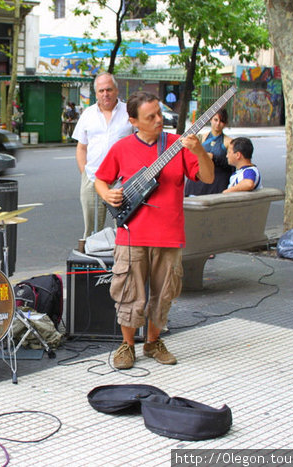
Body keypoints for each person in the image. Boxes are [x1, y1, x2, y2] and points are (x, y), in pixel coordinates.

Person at [94, 91, 214, 370]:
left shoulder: (178, 145)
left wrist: (198, 151)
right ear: (134, 121)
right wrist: (108, 194)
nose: (160, 119)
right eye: (151, 116)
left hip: (169, 235)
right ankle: (127, 345)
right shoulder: (121, 148)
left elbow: (207, 177)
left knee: (164, 293)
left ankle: (153, 341)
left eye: (160, 113)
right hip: (132, 233)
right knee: (128, 292)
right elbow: (101, 180)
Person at [72, 72, 134, 240]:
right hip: (93, 178)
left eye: (109, 89)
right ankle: (92, 264)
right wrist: (84, 172)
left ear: (116, 90)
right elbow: (81, 148)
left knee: (122, 226)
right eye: (101, 91)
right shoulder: (88, 114)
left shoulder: (129, 112)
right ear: (96, 93)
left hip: (122, 181)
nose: (105, 94)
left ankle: (120, 263)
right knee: (92, 231)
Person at [184, 109, 234, 196]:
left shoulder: (229, 142)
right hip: (198, 182)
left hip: (217, 184)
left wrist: (214, 158)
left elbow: (232, 165)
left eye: (221, 121)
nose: (218, 124)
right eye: (215, 120)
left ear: (225, 123)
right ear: (210, 119)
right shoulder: (200, 138)